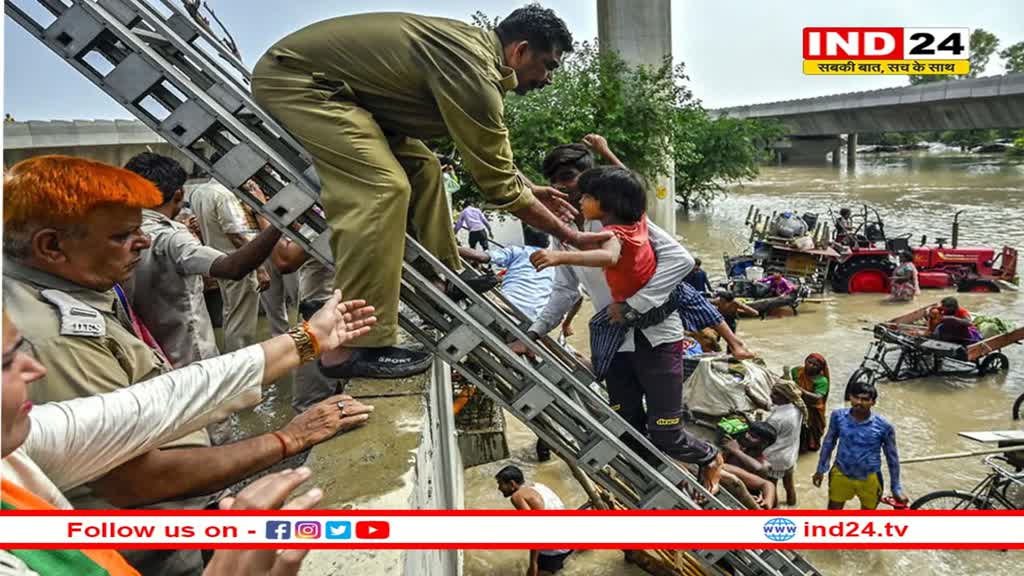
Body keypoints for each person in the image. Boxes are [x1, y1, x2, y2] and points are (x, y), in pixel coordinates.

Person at [2, 156, 374, 575]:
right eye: (123, 235)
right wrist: (288, 438)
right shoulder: (51, 335)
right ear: (51, 246)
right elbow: (136, 478)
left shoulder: (80, 289)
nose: (142, 243)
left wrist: (305, 341)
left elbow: (156, 403)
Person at [253, 6, 611, 380]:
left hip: (347, 95)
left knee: (425, 168)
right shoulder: (475, 74)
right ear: (519, 51)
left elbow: (491, 156)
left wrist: (534, 189)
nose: (549, 79)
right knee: (383, 188)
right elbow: (499, 185)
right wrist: (571, 235)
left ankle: (441, 269)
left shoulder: (475, 57)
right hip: (299, 83)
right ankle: (349, 348)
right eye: (548, 65)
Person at [2, 294, 374, 575]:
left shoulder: (18, 450)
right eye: (6, 363)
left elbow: (153, 406)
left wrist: (307, 340)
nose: (33, 370)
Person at [521, 146, 723, 493]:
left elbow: (681, 260)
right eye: (556, 182)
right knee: (626, 428)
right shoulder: (565, 232)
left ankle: (708, 457)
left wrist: (635, 304)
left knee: (666, 430)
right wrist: (535, 332)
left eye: (572, 182)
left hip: (657, 337)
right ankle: (657, 487)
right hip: (613, 344)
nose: (566, 191)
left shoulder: (624, 223)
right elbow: (565, 291)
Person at [530, 166, 754, 380]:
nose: (579, 199)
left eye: (586, 195)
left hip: (648, 308)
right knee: (693, 299)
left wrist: (561, 254)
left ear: (605, 201)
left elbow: (607, 256)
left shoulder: (612, 232)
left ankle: (599, 370)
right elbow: (629, 183)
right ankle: (735, 343)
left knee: (602, 324)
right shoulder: (636, 220)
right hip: (654, 300)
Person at [123, 153, 283, 367]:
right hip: (188, 359)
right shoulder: (172, 237)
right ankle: (241, 370)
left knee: (232, 317)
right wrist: (278, 223)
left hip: (145, 358)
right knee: (241, 324)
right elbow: (233, 261)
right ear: (178, 194)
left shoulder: (119, 233)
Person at [188, 174, 275, 352]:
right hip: (239, 264)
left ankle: (233, 360)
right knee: (242, 322)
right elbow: (236, 234)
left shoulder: (199, 192)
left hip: (219, 261)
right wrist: (259, 267)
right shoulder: (225, 194)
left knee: (232, 315)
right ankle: (243, 366)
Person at [813, 380, 908, 510]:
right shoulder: (838, 416)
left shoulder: (884, 426)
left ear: (873, 402)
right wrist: (820, 470)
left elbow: (892, 458)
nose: (859, 402)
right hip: (841, 473)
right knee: (833, 510)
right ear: (850, 397)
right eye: (856, 398)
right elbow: (829, 443)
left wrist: (896, 488)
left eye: (865, 399)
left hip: (870, 477)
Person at [459, 224, 555, 322]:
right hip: (533, 318)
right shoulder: (555, 263)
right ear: (548, 242)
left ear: (526, 240)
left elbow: (482, 257)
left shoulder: (518, 251)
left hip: (507, 308)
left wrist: (453, 248)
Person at [495, 465, 572, 575]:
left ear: (512, 484)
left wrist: (533, 564)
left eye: (500, 483)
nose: (499, 488)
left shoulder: (517, 497)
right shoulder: (538, 486)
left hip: (557, 549)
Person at [761, 379, 807, 506]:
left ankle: (775, 510)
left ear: (784, 397)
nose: (770, 395)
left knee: (771, 486)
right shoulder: (797, 408)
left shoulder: (777, 419)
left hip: (775, 458)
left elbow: (764, 438)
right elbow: (769, 406)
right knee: (789, 485)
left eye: (775, 394)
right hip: (790, 455)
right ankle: (792, 506)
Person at [718, 421, 779, 509]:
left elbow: (760, 470)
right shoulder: (736, 450)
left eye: (753, 436)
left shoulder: (764, 464)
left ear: (764, 444)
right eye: (748, 433)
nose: (747, 436)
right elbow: (719, 461)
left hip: (743, 499)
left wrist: (736, 451)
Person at [790, 353, 830, 453]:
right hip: (796, 403)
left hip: (812, 409)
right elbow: (788, 380)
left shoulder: (822, 380)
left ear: (820, 368)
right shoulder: (796, 371)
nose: (811, 366)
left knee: (808, 431)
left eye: (815, 365)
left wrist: (800, 389)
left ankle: (804, 449)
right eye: (809, 362)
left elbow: (817, 397)